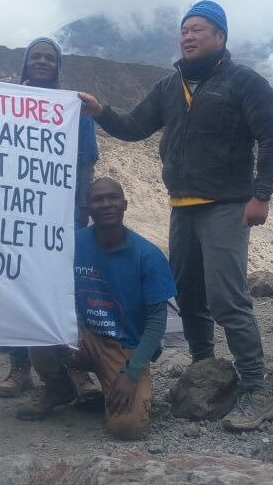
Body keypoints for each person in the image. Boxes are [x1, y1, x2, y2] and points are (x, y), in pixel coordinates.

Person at [78, 0, 273, 432]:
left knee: (227, 297)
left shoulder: (244, 82)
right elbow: (134, 127)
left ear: (220, 37)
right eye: (184, 29)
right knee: (188, 294)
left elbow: (272, 138)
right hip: (182, 205)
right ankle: (203, 367)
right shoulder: (170, 86)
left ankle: (255, 388)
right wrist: (101, 113)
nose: (187, 36)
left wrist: (261, 195)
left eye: (198, 29)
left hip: (226, 204)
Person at [15, 178, 174, 439]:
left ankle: (121, 390)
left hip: (125, 348)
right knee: (40, 327)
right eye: (98, 200)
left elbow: (157, 321)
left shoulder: (148, 256)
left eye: (113, 198)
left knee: (127, 429)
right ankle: (59, 389)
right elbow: (55, 290)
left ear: (125, 205)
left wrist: (132, 373)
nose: (106, 204)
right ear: (88, 208)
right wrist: (70, 325)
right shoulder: (72, 243)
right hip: (84, 338)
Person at [0, 37, 101, 400]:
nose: (42, 62)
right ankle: (19, 366)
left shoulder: (74, 106)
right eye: (36, 57)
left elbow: (86, 161)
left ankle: (76, 368)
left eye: (49, 58)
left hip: (60, 216)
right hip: (15, 213)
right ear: (25, 63)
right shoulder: (6, 102)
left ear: (58, 66)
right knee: (17, 288)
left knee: (64, 291)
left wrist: (82, 211)